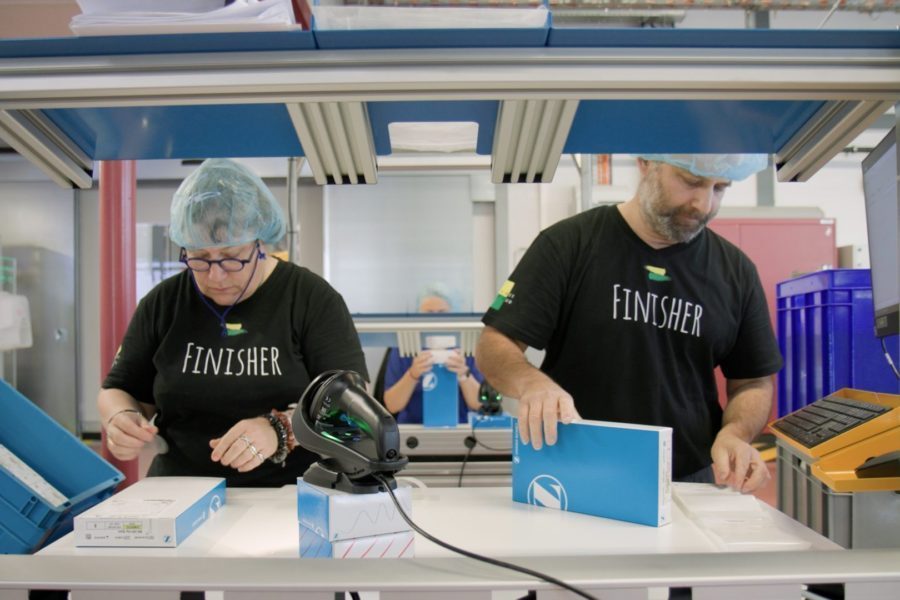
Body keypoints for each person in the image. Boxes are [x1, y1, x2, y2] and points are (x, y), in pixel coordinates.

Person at [476, 153, 781, 492]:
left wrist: (735, 433)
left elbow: (753, 381)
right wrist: (531, 383)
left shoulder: (736, 272)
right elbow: (495, 343)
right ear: (646, 163)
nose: (703, 204)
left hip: (686, 479)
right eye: (691, 181)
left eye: (720, 188)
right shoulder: (568, 245)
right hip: (574, 474)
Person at [98, 158, 367, 487]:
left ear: (260, 244)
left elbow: (351, 404)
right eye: (198, 259)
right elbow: (119, 389)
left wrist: (280, 429)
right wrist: (120, 418)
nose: (215, 276)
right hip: (182, 493)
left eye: (232, 258)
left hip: (290, 495)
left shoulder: (310, 299)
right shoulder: (163, 303)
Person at [382, 284, 484, 423]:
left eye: (442, 313)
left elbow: (480, 404)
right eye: (428, 313)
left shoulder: (467, 348)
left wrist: (463, 375)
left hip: (459, 431)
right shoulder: (405, 348)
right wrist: (412, 374)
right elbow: (392, 406)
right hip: (413, 431)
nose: (436, 319)